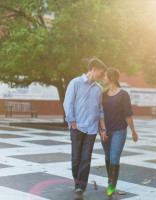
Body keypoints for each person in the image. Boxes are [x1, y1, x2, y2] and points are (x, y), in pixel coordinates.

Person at [63, 58, 107, 200]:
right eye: (100, 73)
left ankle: (80, 188)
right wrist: (72, 123)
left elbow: (100, 110)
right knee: (76, 158)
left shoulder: (99, 89)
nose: (101, 77)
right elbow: (68, 103)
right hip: (77, 127)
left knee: (86, 159)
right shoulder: (75, 83)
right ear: (93, 69)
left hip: (92, 129)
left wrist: (102, 128)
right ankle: (78, 183)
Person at [101, 67, 138, 200]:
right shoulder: (103, 94)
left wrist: (133, 132)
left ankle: (111, 190)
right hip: (106, 132)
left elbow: (128, 115)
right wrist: (102, 130)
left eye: (105, 76)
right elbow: (100, 114)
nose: (102, 78)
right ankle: (110, 184)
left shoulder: (123, 94)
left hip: (119, 131)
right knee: (107, 157)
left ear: (111, 77)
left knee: (114, 157)